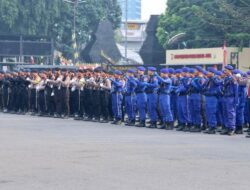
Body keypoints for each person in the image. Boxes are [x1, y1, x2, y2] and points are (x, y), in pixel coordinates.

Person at [220, 65, 238, 136]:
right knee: (225, 113)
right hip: (225, 97)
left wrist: (236, 100)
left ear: (230, 71)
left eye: (226, 70)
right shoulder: (225, 78)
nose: (225, 71)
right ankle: (227, 127)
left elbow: (236, 90)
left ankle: (232, 128)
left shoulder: (233, 78)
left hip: (231, 98)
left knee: (231, 113)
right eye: (224, 70)